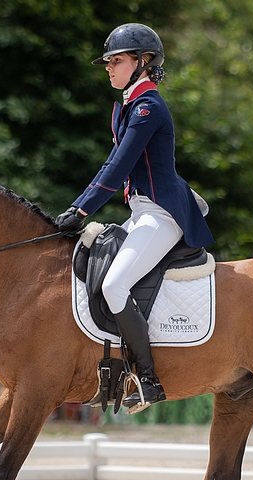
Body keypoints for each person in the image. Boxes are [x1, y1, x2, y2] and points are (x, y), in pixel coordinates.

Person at [56, 23, 214, 411]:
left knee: (113, 287)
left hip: (162, 212)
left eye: (116, 60)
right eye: (107, 61)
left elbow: (118, 164)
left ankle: (147, 378)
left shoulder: (148, 107)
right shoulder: (128, 105)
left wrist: (80, 208)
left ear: (143, 62)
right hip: (143, 211)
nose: (108, 67)